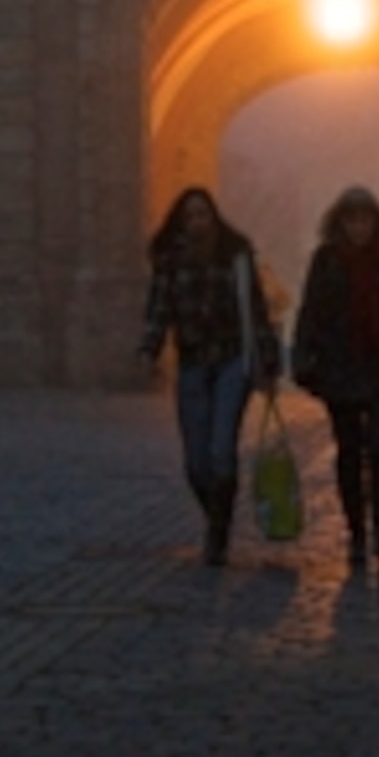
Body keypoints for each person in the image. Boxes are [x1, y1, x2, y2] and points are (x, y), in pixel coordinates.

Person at [289, 183, 379, 567]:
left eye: (365, 219)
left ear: (377, 221)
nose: (359, 227)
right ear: (340, 223)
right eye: (352, 220)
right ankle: (357, 531)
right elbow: (311, 312)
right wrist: (303, 358)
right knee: (349, 452)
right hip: (339, 367)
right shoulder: (325, 261)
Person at [136, 184, 282, 565]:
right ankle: (218, 517)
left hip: (233, 360)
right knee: (196, 462)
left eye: (203, 213)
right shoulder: (170, 260)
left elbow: (256, 310)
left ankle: (217, 533)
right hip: (192, 363)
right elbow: (158, 309)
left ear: (214, 216)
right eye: (190, 215)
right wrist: (149, 351)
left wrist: (267, 362)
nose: (198, 221)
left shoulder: (236, 255)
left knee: (221, 448)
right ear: (181, 222)